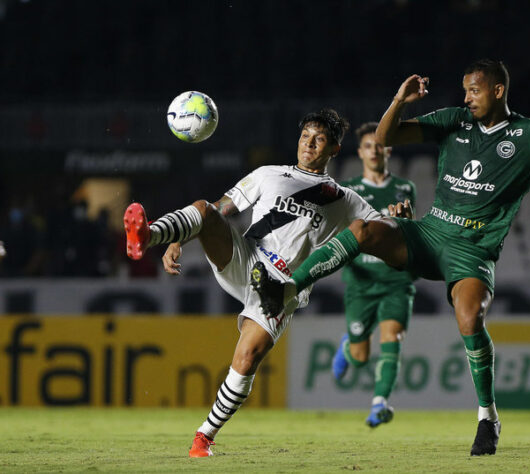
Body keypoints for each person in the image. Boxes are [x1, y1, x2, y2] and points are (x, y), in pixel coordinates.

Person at [251, 59, 530, 456]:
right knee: (363, 231)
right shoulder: (456, 120)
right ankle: (286, 288)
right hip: (430, 233)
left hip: (472, 251)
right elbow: (386, 138)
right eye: (465, 89)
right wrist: (400, 100)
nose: (467, 97)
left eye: (474, 90)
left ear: (498, 91)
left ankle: (487, 417)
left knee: (470, 318)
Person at [123, 109, 409, 458]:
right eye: (306, 136)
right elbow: (221, 208)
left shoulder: (344, 198)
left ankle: (204, 437)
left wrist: (395, 216)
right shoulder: (269, 174)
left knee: (247, 358)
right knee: (203, 209)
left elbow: (377, 225)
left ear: (334, 149)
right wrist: (179, 238)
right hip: (246, 260)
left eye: (319, 139)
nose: (309, 144)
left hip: (282, 287)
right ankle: (147, 234)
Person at [332, 122, 417, 427]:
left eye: (379, 145)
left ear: (388, 149)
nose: (374, 151)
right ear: (360, 152)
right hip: (361, 281)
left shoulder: (406, 189)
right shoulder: (349, 190)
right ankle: (347, 346)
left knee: (392, 337)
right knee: (360, 356)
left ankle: (380, 404)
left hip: (395, 279)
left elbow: (411, 234)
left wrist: (406, 221)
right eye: (368, 146)